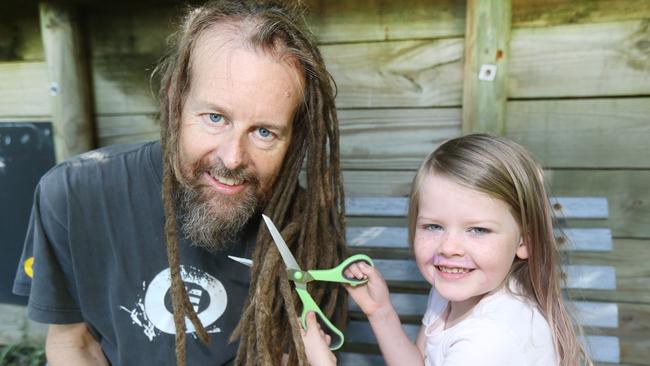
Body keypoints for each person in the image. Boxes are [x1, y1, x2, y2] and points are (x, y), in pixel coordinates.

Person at [12, 1, 348, 365]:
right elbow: (73, 344)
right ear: (175, 98)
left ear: (293, 137)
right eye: (215, 117)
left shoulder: (308, 230)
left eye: (264, 131)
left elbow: (289, 354)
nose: (233, 158)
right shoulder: (72, 195)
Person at [302, 134, 593, 366]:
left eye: (478, 230)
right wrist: (381, 313)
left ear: (524, 240)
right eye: (434, 227)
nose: (449, 248)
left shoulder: (488, 341)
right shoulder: (452, 291)